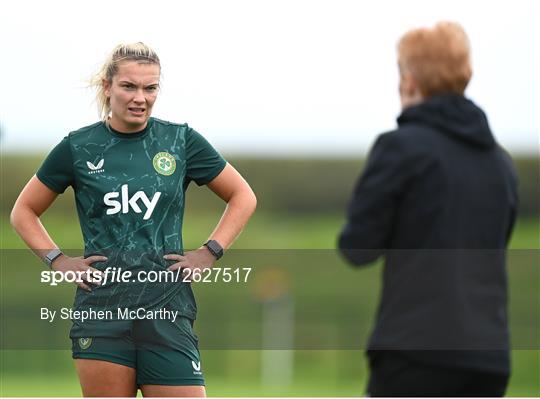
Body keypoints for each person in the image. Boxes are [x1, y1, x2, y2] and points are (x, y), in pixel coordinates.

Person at [10, 42, 257, 397]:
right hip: (101, 309)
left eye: (150, 87)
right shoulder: (79, 147)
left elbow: (242, 196)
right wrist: (57, 259)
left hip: (167, 307)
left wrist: (210, 251)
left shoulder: (179, 141)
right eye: (129, 86)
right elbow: (23, 211)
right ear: (108, 87)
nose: (140, 97)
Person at [338, 22, 518, 397]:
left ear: (409, 80)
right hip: (489, 360)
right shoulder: (501, 164)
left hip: (416, 354)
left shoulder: (400, 149)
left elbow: (358, 247)